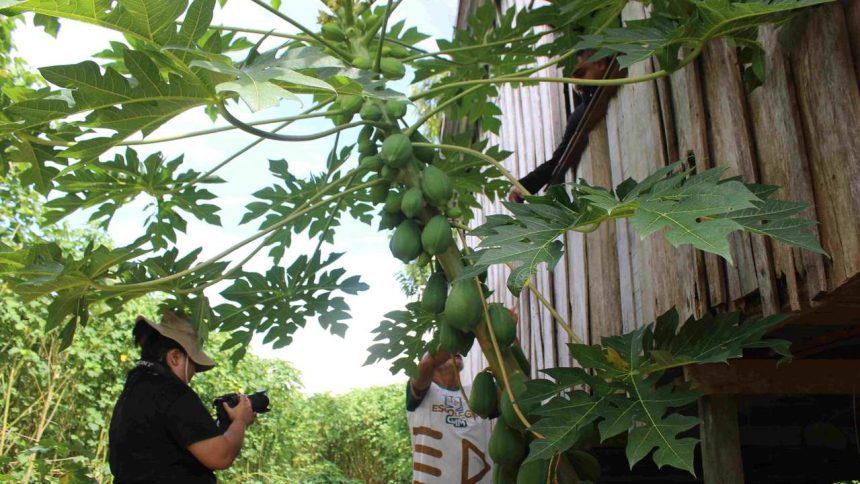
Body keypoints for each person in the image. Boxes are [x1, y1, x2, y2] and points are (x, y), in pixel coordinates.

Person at [108, 310, 255, 483]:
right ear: (175, 357)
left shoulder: (135, 387)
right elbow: (220, 456)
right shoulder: (172, 392)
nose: (192, 374)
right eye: (192, 365)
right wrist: (240, 421)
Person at [509, 51, 611, 202]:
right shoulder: (580, 114)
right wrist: (525, 185)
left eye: (581, 73)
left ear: (600, 64)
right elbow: (559, 157)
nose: (576, 85)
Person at [407, 349, 494, 483]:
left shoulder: (478, 393)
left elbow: (514, 385)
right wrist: (454, 338)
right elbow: (426, 364)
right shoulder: (422, 392)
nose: (456, 351)